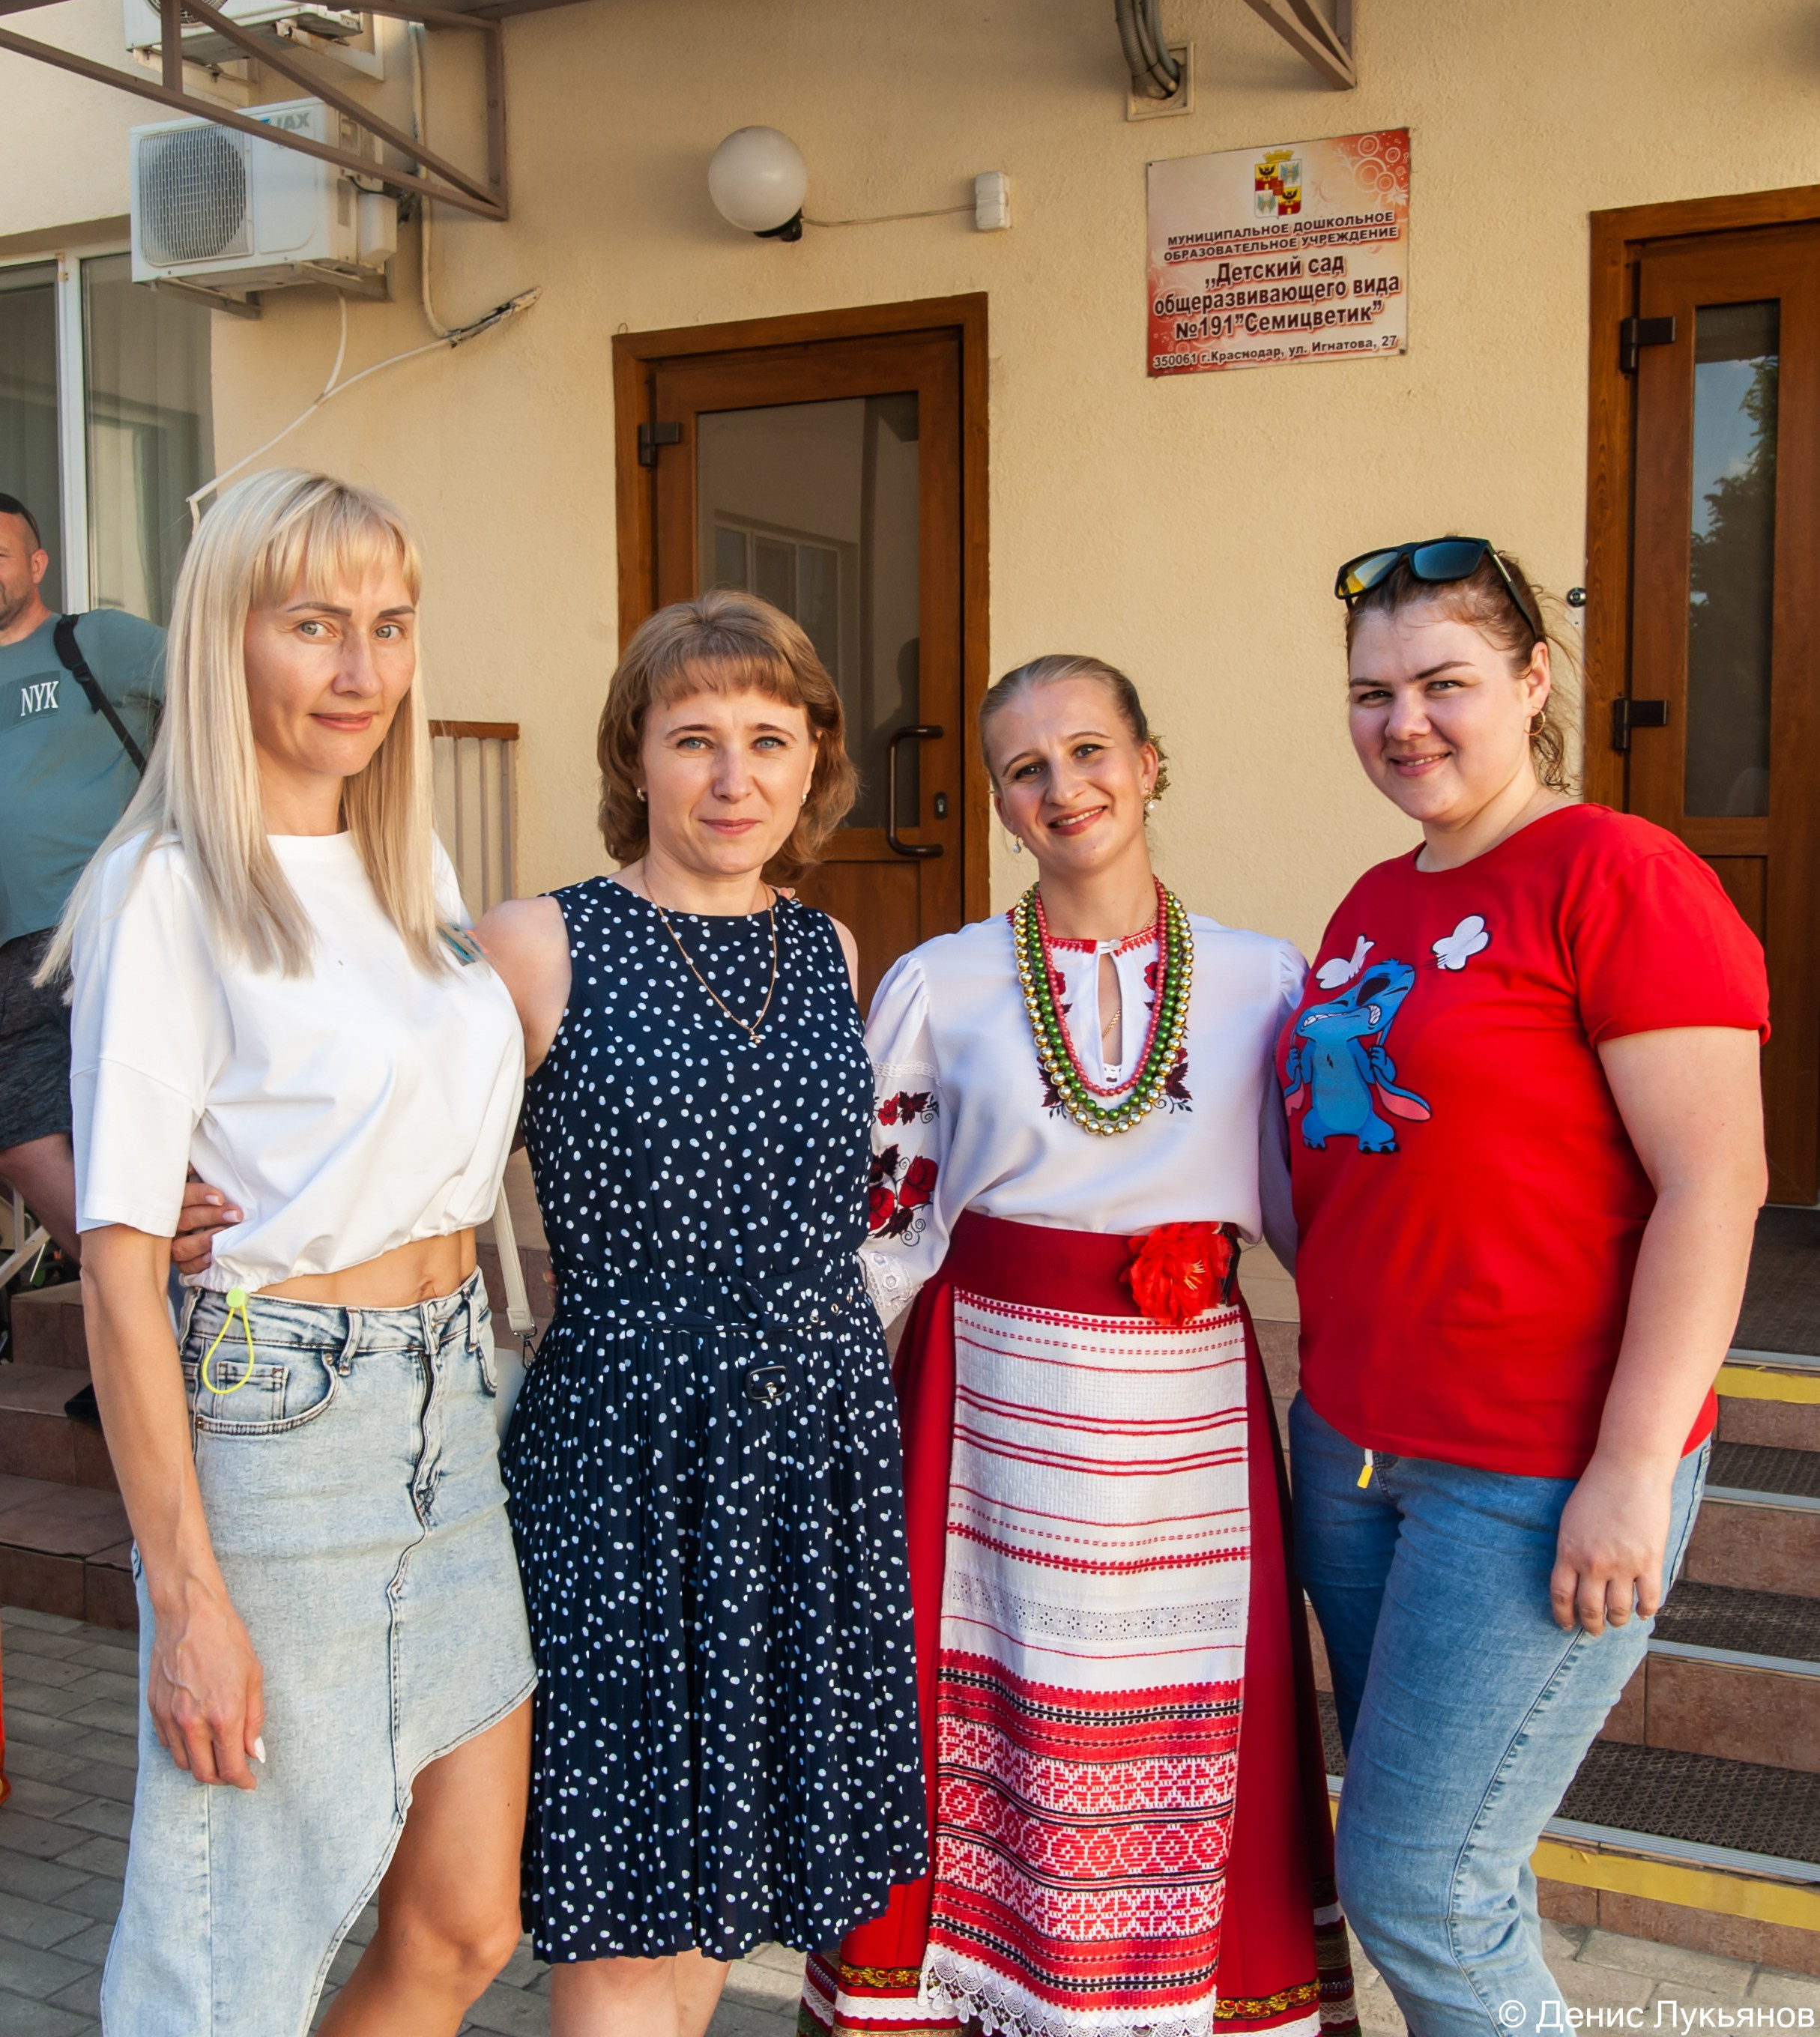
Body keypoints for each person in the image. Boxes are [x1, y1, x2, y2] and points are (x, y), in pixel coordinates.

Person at [47, 469, 537, 2037]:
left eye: (388, 627)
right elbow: (120, 1269)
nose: (360, 670)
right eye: (312, 625)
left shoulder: (413, 875)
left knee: (464, 1925)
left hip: (454, 1409)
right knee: (226, 1972)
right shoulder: (165, 888)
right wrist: (186, 1603)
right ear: (222, 640)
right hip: (283, 1426)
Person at [803, 654, 1357, 2037]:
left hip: (1183, 1423)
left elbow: (1317, 1216)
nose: (1065, 787)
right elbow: (880, 1217)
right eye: (1025, 768)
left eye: (1090, 750)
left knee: (1182, 1706)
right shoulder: (941, 983)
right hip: (987, 1403)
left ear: (1151, 761)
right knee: (989, 1708)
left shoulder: (1258, 978)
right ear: (998, 801)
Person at [1284, 540, 1768, 2036]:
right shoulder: (1371, 898)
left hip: (1528, 1469)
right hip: (1356, 1452)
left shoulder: (1615, 874)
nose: (1403, 723)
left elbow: (1713, 1185)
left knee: (1419, 1887)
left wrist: (1629, 1467)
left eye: (1443, 683)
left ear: (1531, 682)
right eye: (1371, 693)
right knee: (1448, 1865)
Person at [474, 590, 925, 2037]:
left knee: (718, 1897)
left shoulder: (832, 952)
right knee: (618, 1894)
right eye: (693, 740)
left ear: (813, 763)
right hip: (624, 1452)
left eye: (767, 739)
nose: (733, 778)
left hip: (808, 1454)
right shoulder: (536, 943)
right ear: (634, 757)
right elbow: (406, 1187)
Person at [0, 492, 164, 1264]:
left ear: (36, 564)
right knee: (20, 1138)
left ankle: (166, 1329)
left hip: (102, 923)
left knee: (133, 1126)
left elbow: (223, 694)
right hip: (9, 957)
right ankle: (128, 1321)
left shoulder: (92, 640)